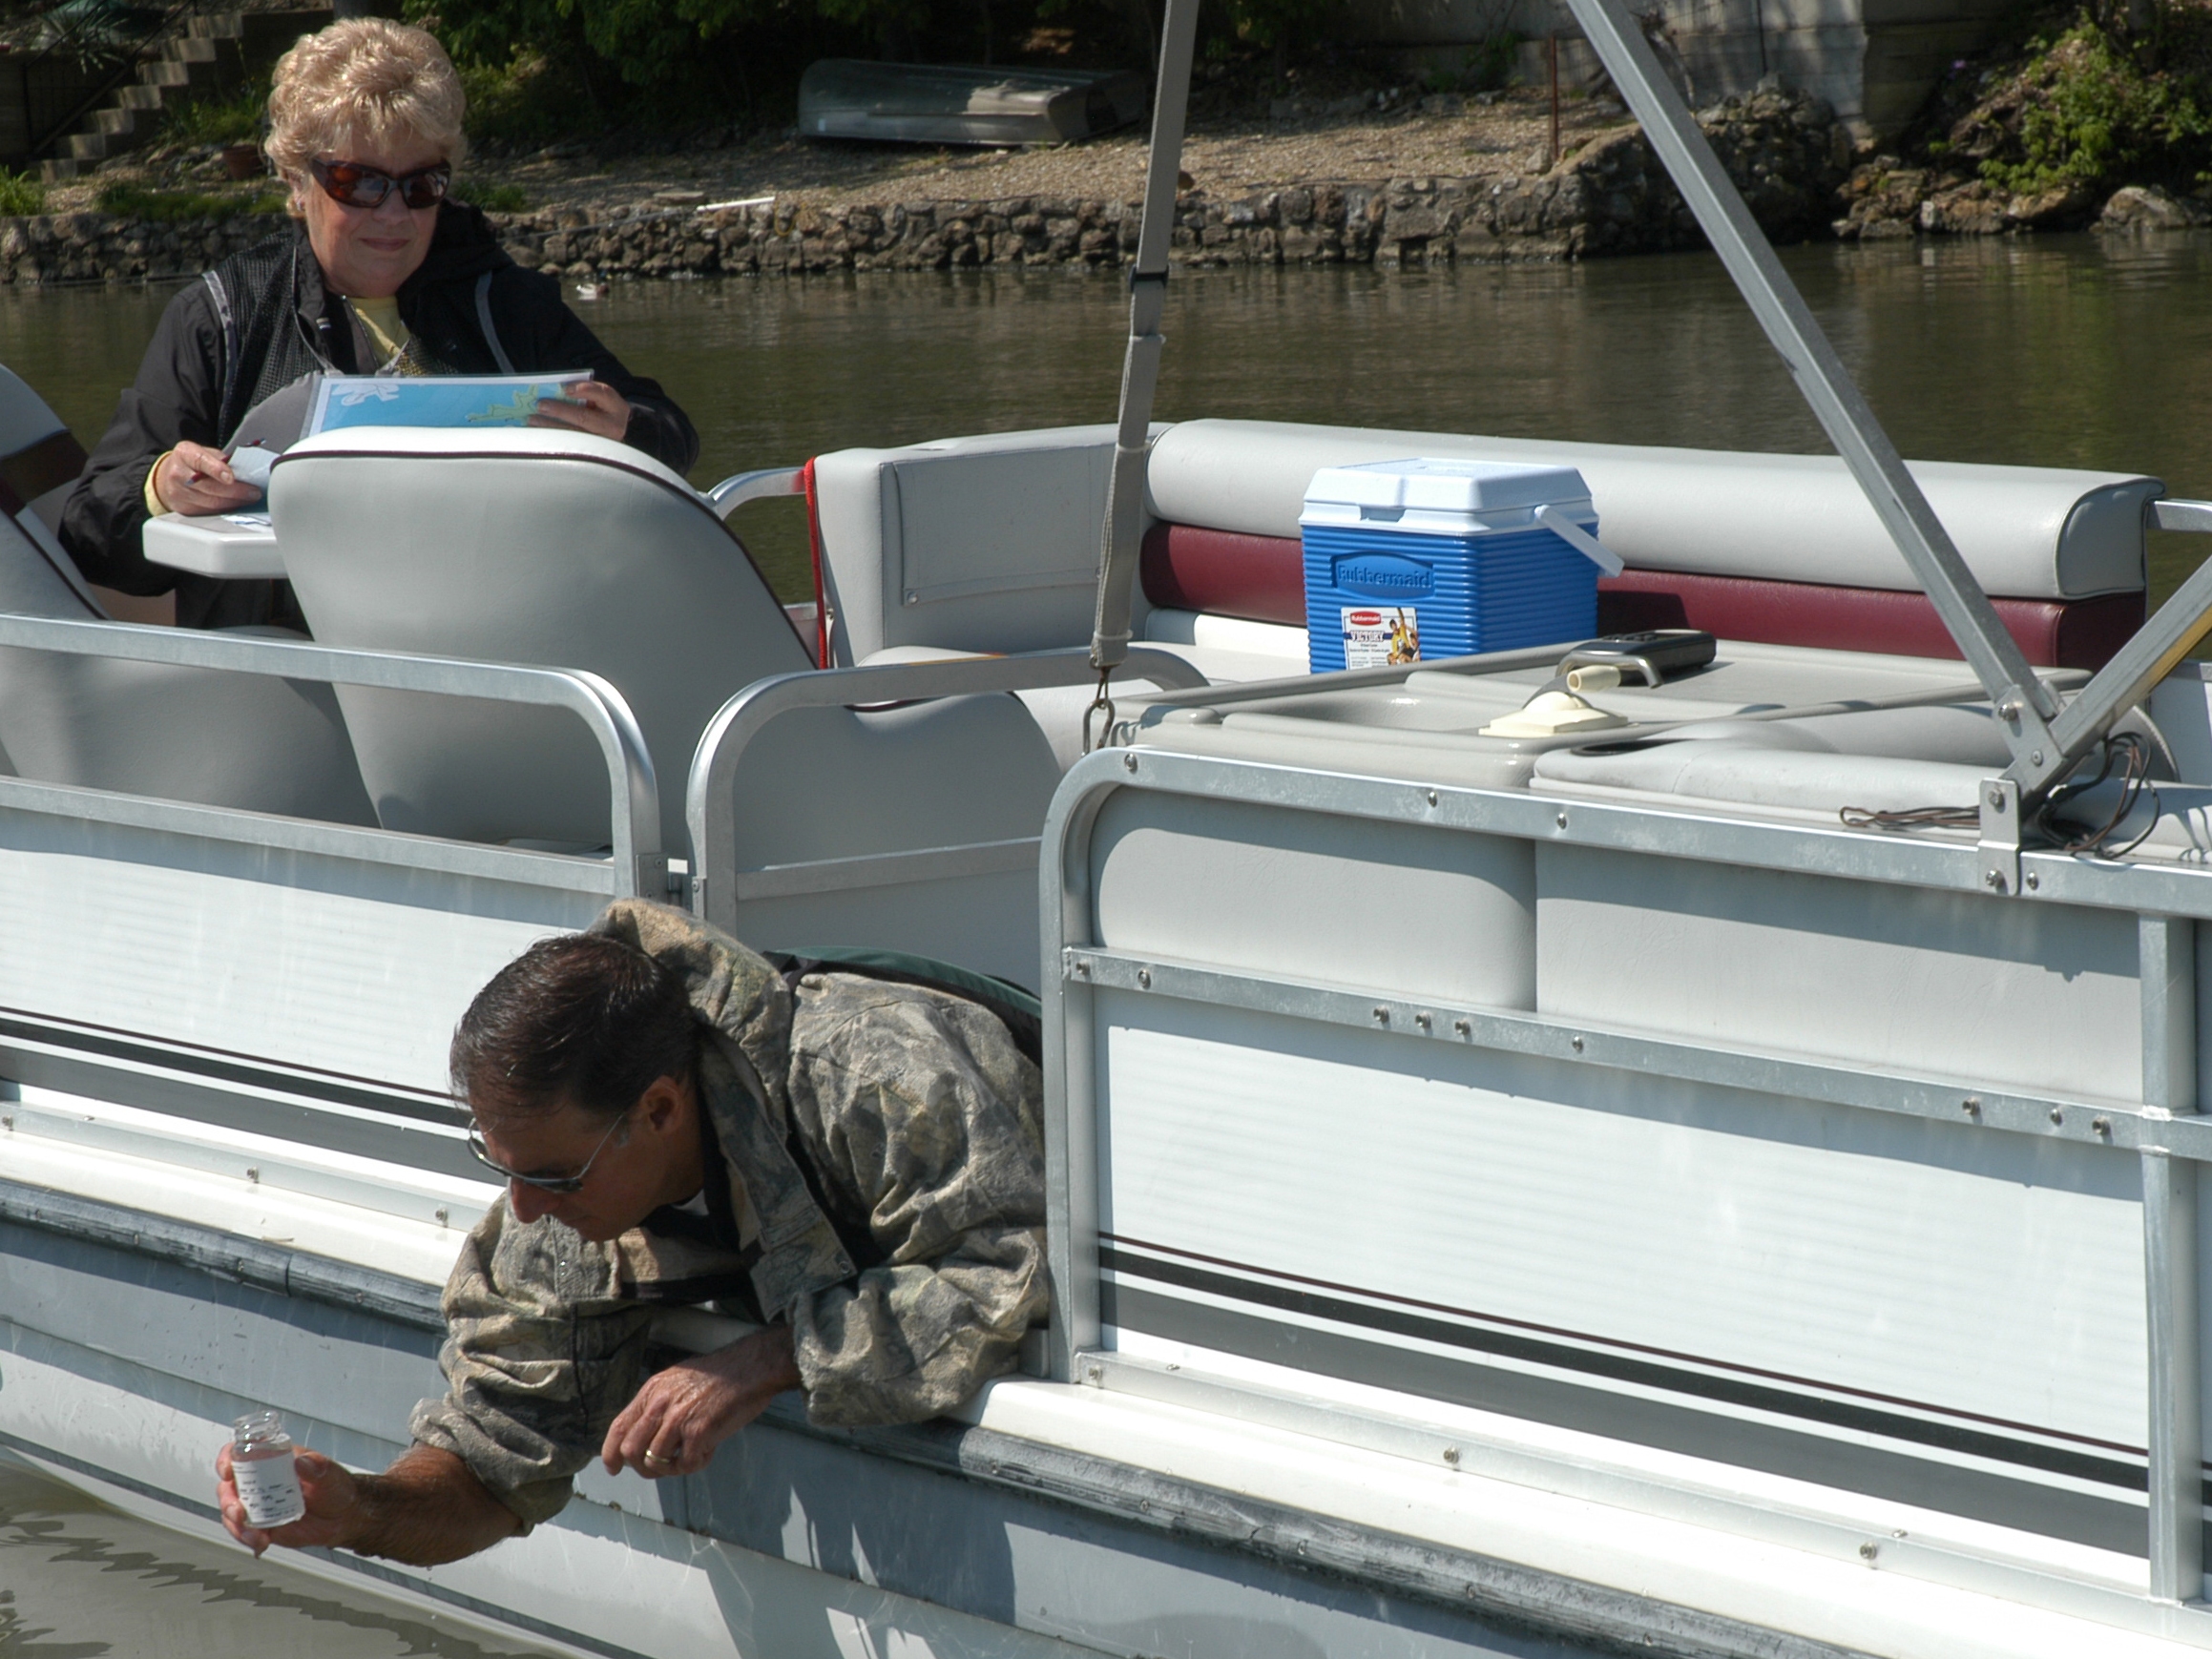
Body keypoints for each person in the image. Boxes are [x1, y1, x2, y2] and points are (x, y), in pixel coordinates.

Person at [214, 898, 1048, 1564]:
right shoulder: (562, 1203)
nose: (527, 1208)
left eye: (552, 1176)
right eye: (501, 1165)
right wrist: (358, 1509)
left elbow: (1003, 1277)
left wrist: (768, 1359)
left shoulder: (880, 1079)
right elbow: (490, 1465)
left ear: (658, 1108)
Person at [61, 19, 698, 632]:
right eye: (358, 182)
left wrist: (625, 428)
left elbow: (670, 431)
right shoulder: (222, 316)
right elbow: (88, 527)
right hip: (291, 672)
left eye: (421, 185)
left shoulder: (504, 301)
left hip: (490, 654)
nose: (394, 213)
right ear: (296, 179)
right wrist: (160, 485)